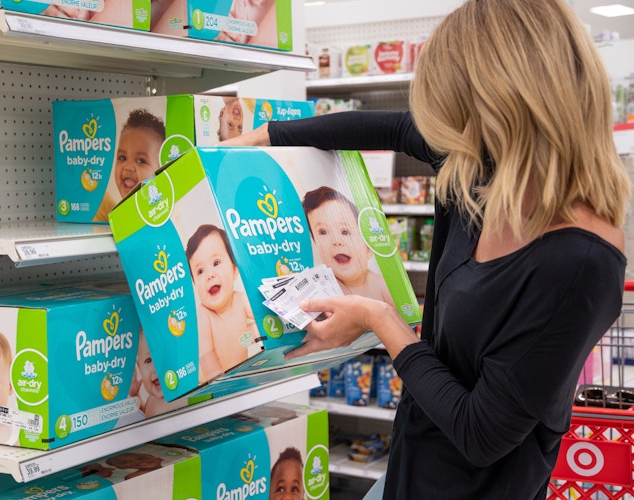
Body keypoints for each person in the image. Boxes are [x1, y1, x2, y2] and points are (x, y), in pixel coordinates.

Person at [217, 0, 630, 498]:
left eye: (449, 108)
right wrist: (264, 137)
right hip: (412, 457)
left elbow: (483, 435)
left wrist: (379, 320)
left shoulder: (579, 262)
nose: (439, 127)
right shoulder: (479, 165)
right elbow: (388, 127)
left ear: (498, 104)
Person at [185, 224, 260, 380]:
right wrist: (221, 382)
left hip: (241, 374)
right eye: (200, 271)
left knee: (256, 328)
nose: (209, 275)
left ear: (234, 270)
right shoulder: (203, 315)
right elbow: (206, 357)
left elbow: (261, 315)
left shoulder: (240, 299)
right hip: (215, 383)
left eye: (216, 263)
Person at [303, 185, 395, 306]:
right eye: (323, 232)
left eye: (345, 232)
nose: (336, 241)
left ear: (368, 248)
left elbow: (404, 321)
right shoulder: (322, 291)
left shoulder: (383, 286)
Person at [93, 108, 165, 222]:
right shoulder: (106, 208)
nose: (128, 167)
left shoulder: (162, 216)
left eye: (141, 160)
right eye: (122, 158)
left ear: (161, 169)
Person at [129, 329, 187, 418]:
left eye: (164, 357)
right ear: (139, 367)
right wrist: (135, 396)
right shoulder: (151, 399)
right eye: (148, 360)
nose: (156, 368)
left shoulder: (184, 396)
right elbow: (146, 416)